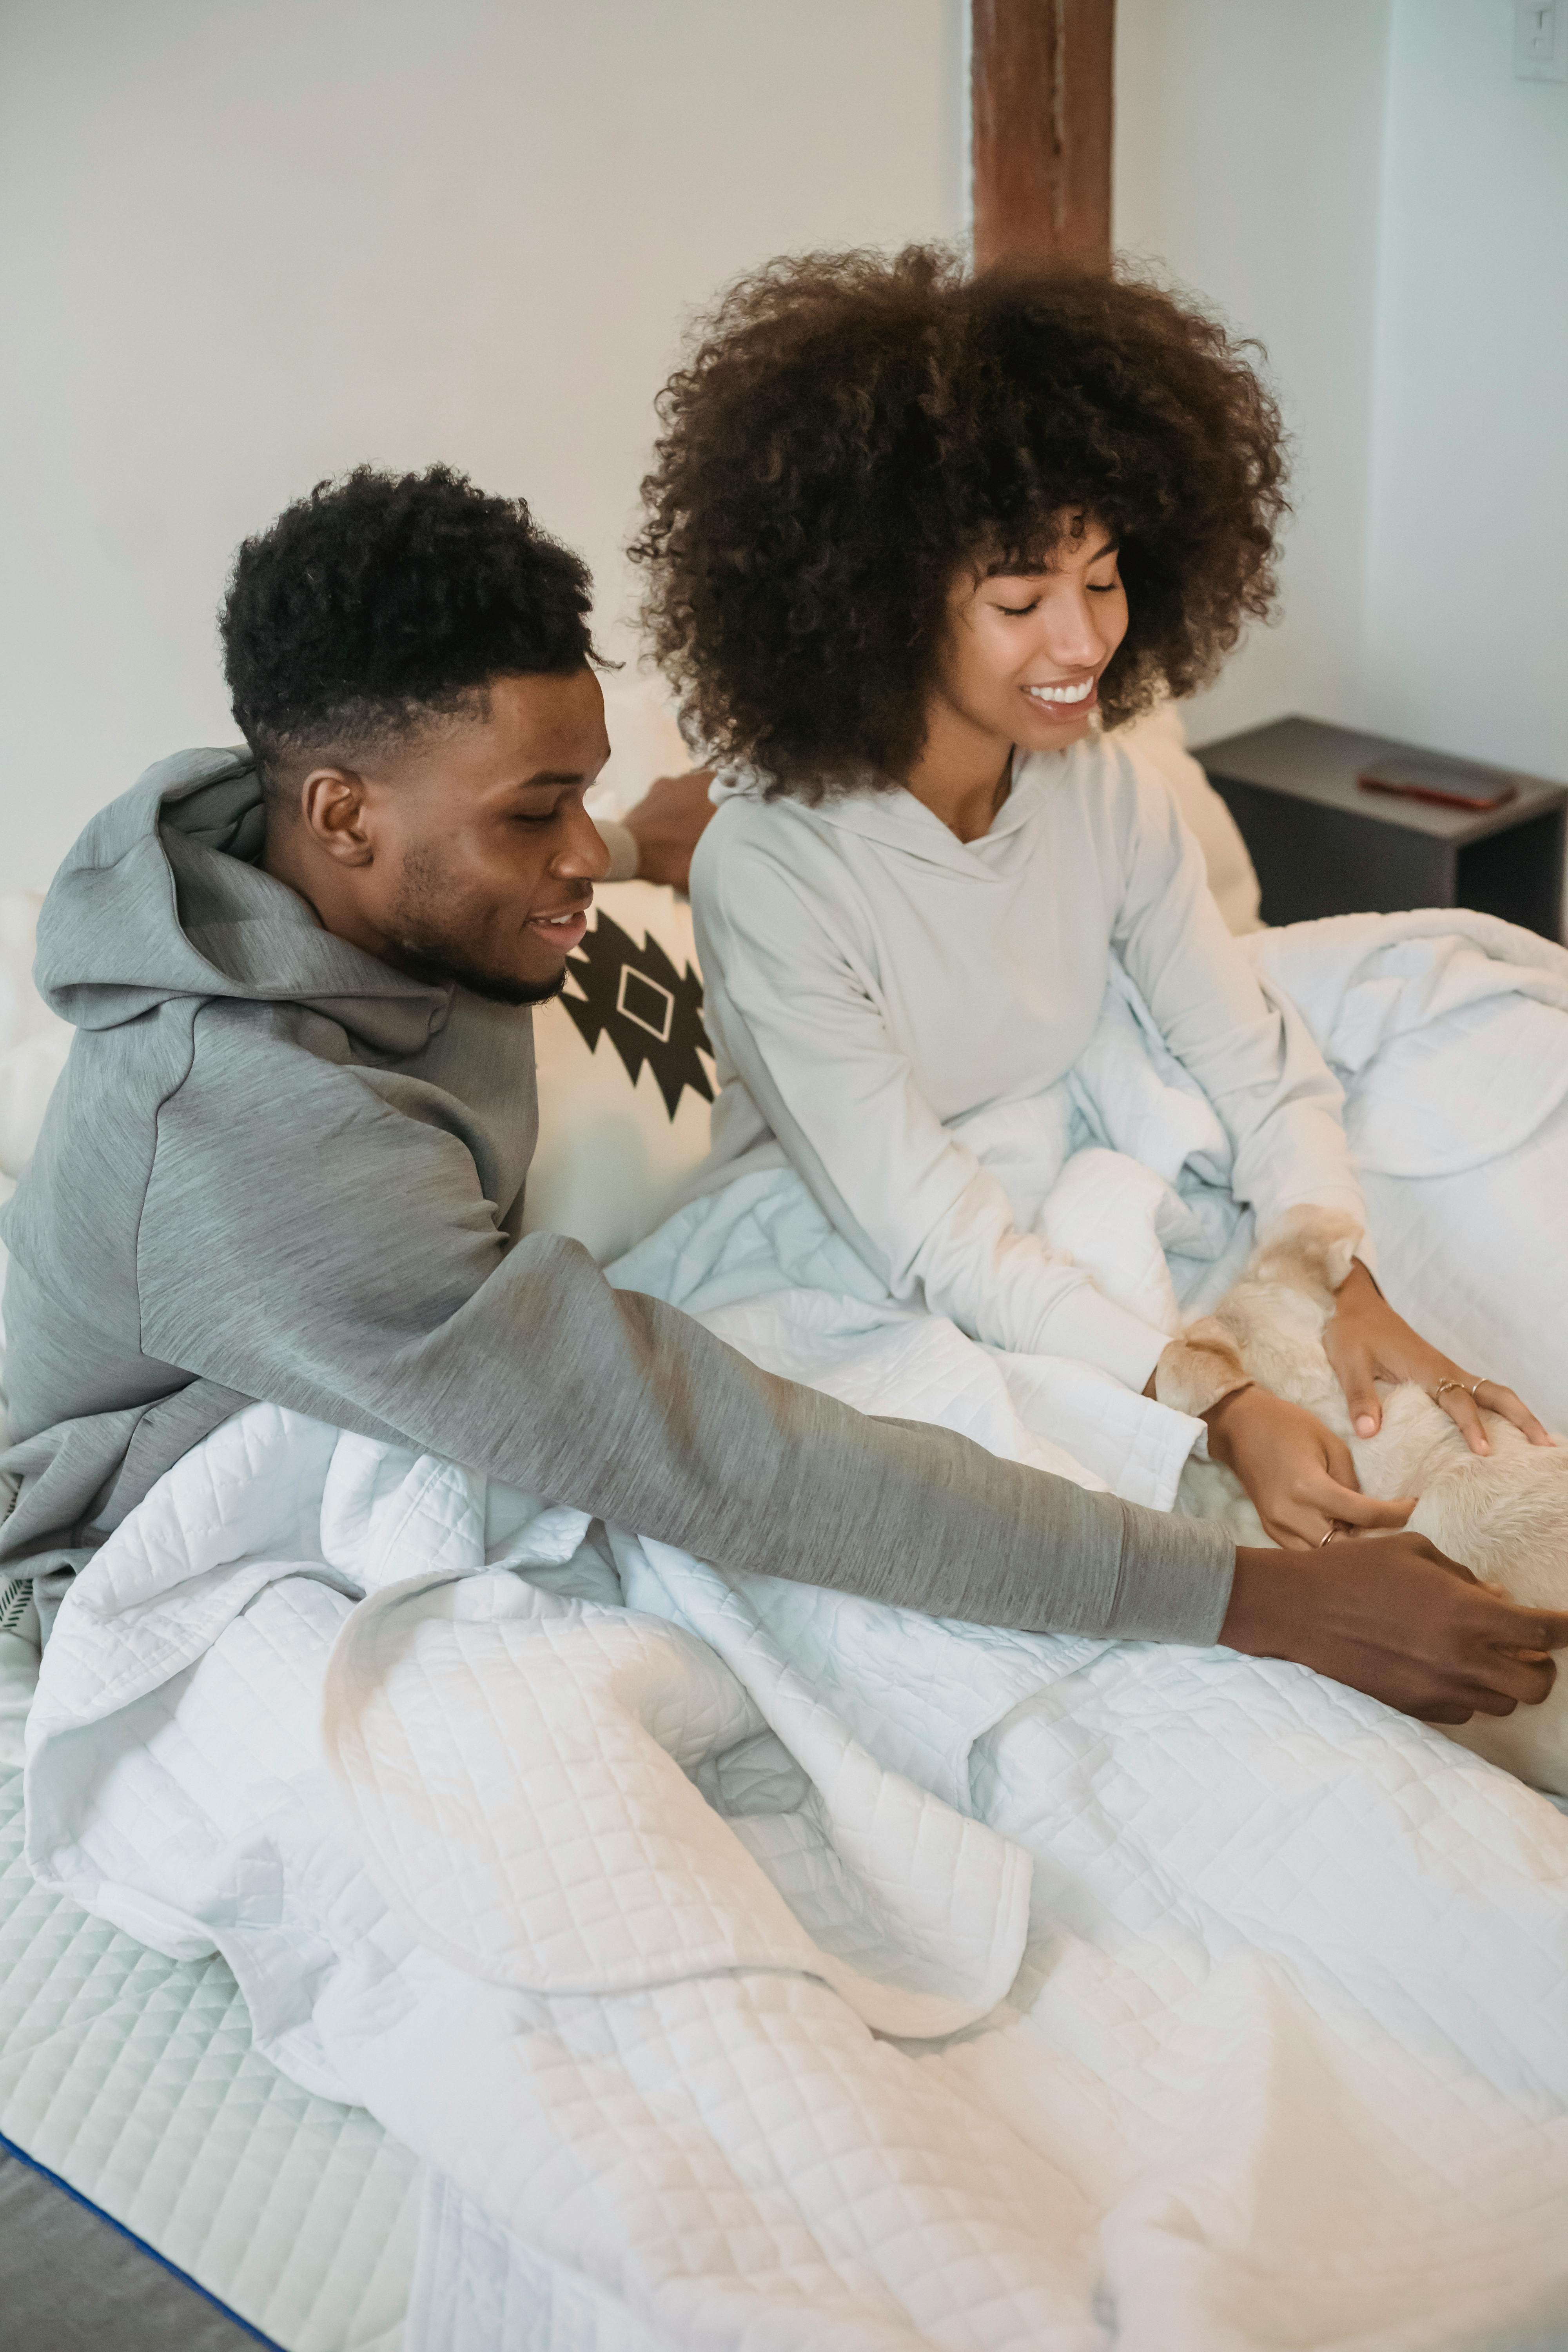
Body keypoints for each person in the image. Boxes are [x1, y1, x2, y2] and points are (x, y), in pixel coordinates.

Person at [0, 463, 1559, 1728]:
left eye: (580, 792)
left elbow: (524, 845)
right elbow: (711, 1451)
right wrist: (1256, 1605)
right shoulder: (255, 1152)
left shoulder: (323, 847)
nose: (573, 861)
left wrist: (622, 843)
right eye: (534, 816)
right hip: (157, 1479)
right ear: (339, 814)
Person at [627, 249, 1568, 1720]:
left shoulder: (1107, 784)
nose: (1084, 645)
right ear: (879, 604)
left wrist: (1344, 1273)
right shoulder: (774, 869)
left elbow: (1243, 1046)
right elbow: (937, 1237)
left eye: (1107, 578)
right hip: (876, 1249)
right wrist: (1224, 1401)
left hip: (1089, 1158)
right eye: (1021, 600)